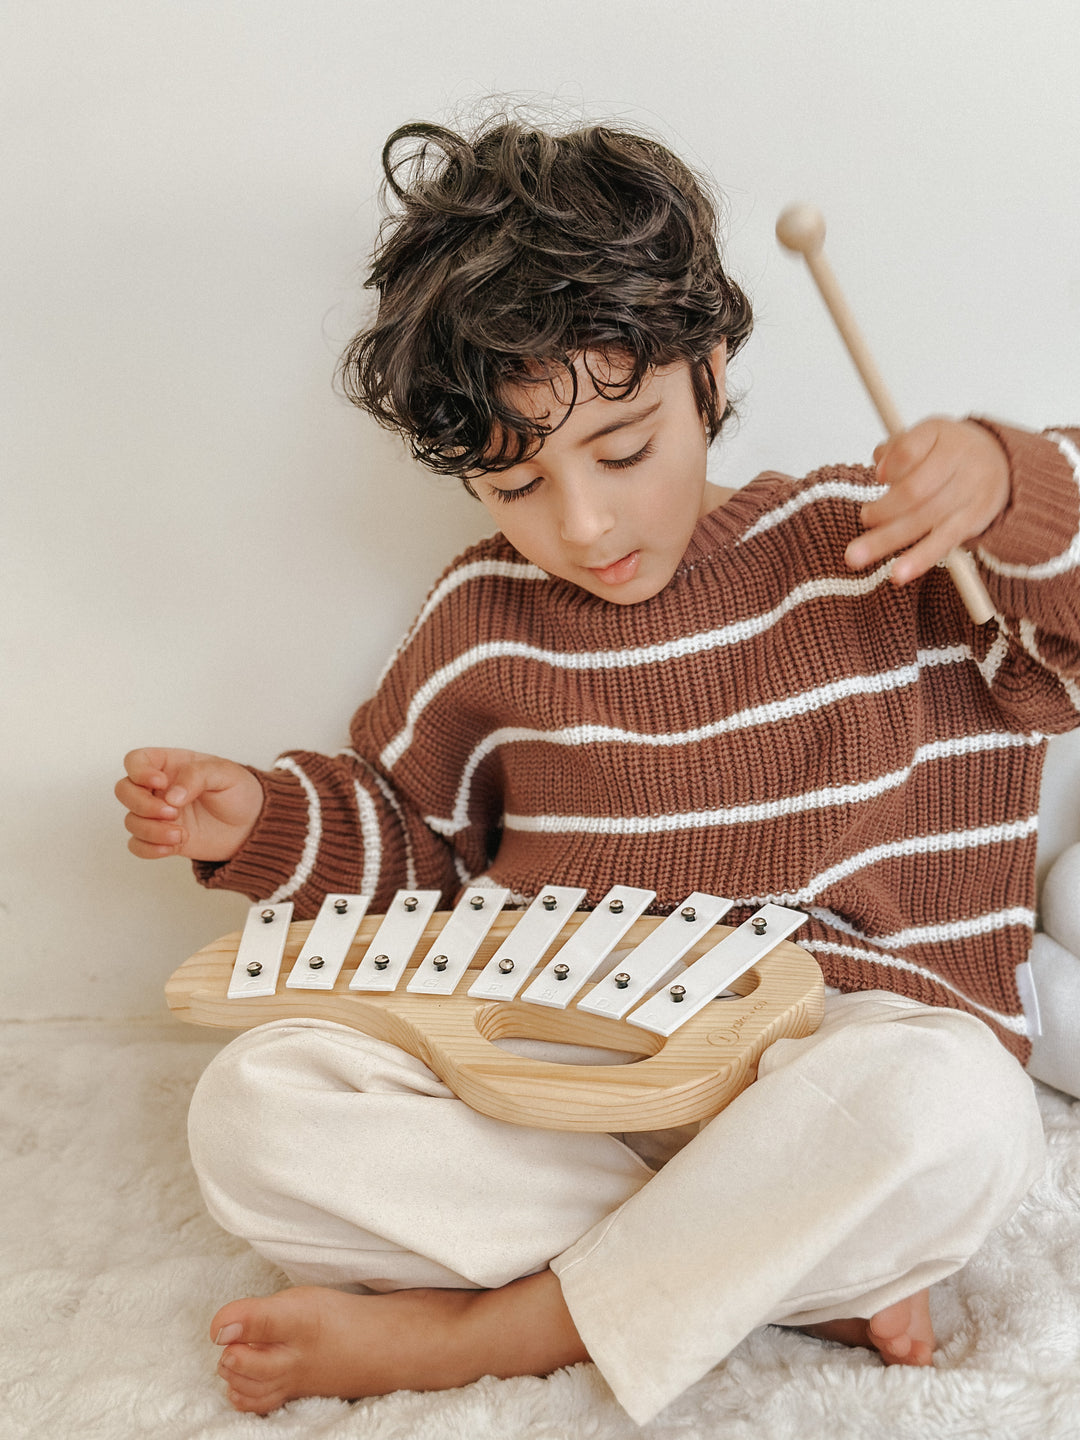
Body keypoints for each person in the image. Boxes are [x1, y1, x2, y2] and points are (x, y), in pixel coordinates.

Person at [115, 115, 1079, 1424]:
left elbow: (1058, 631)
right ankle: (779, 1271)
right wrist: (263, 817)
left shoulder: (878, 542)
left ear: (710, 370)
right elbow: (413, 850)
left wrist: (1006, 483)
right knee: (256, 1109)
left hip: (831, 1059)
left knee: (963, 1110)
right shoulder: (481, 618)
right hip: (571, 1078)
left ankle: (493, 1332)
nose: (583, 523)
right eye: (516, 486)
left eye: (622, 451)